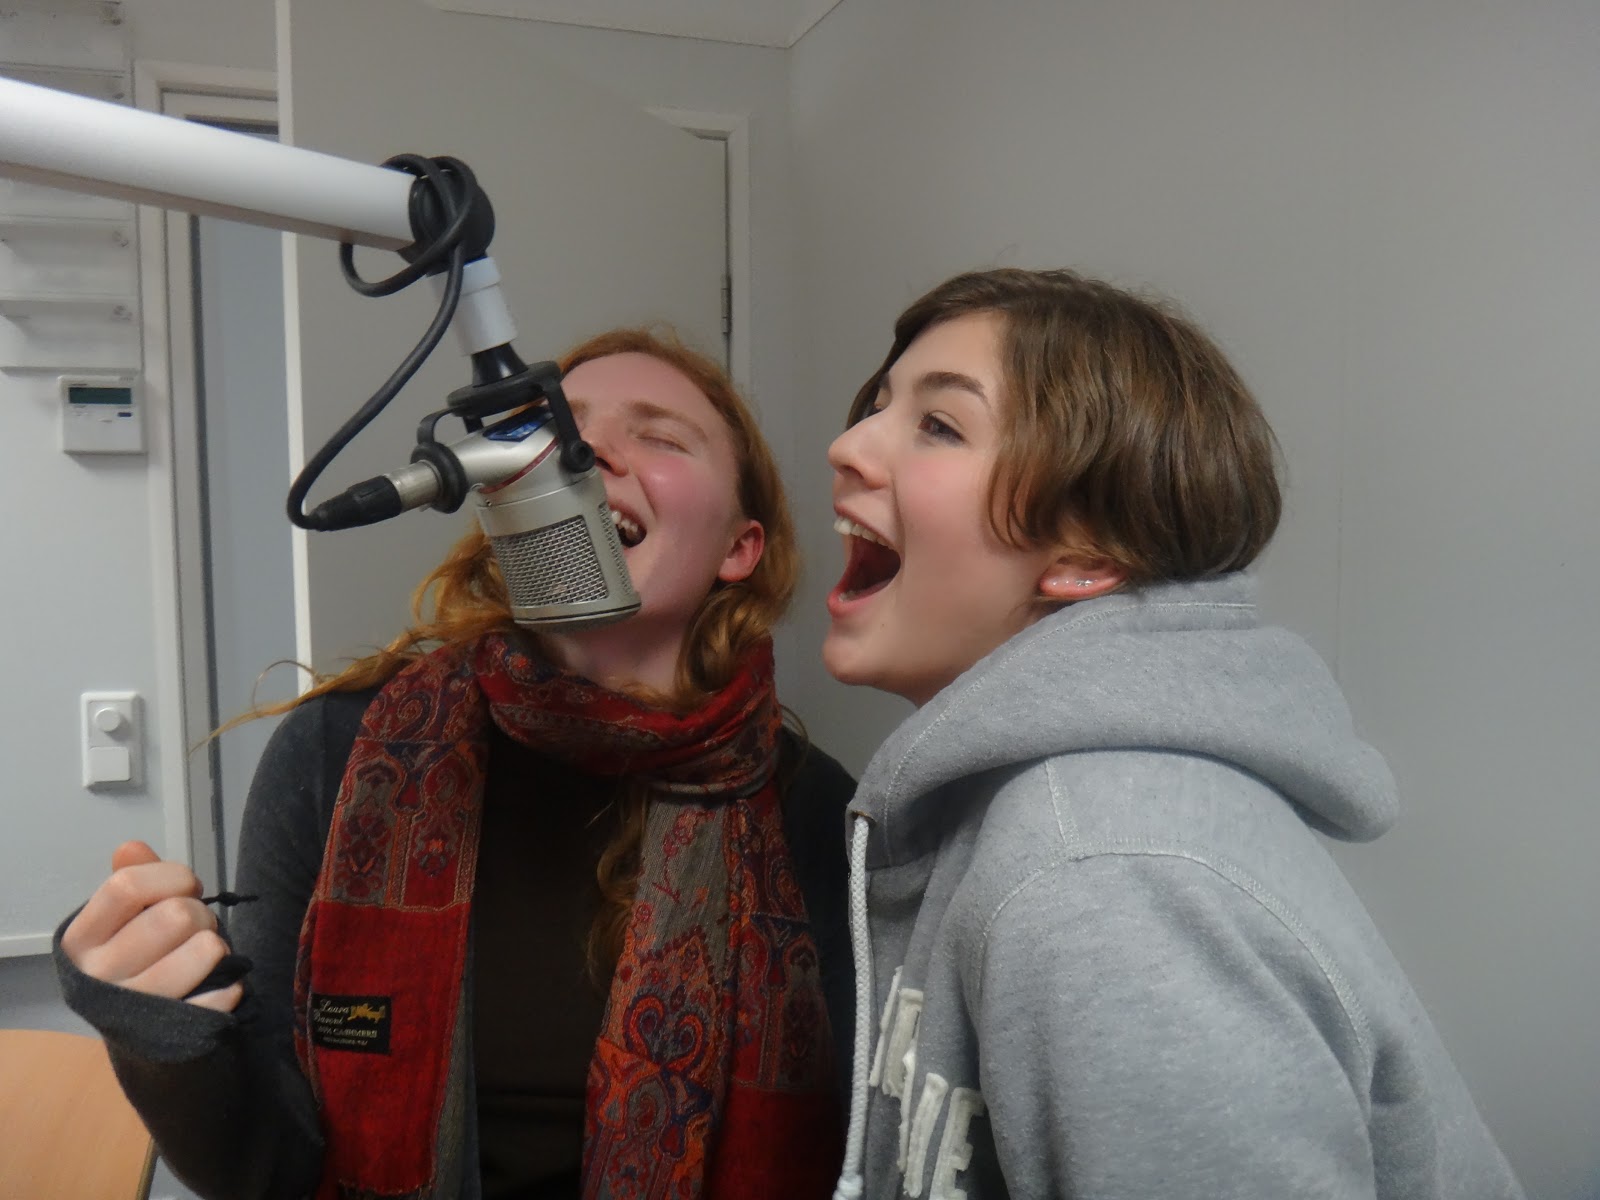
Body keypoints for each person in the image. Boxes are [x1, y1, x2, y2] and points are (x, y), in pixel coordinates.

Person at [54, 329, 856, 1200]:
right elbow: (267, 1170)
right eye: (554, 430)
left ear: (740, 547)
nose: (585, 450)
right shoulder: (337, 754)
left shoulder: (815, 811)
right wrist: (164, 1038)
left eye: (660, 436)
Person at [821, 268, 1525, 1200]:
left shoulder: (1101, 876)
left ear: (1084, 558)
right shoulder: (1041, 822)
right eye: (878, 406)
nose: (847, 446)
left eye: (940, 425)